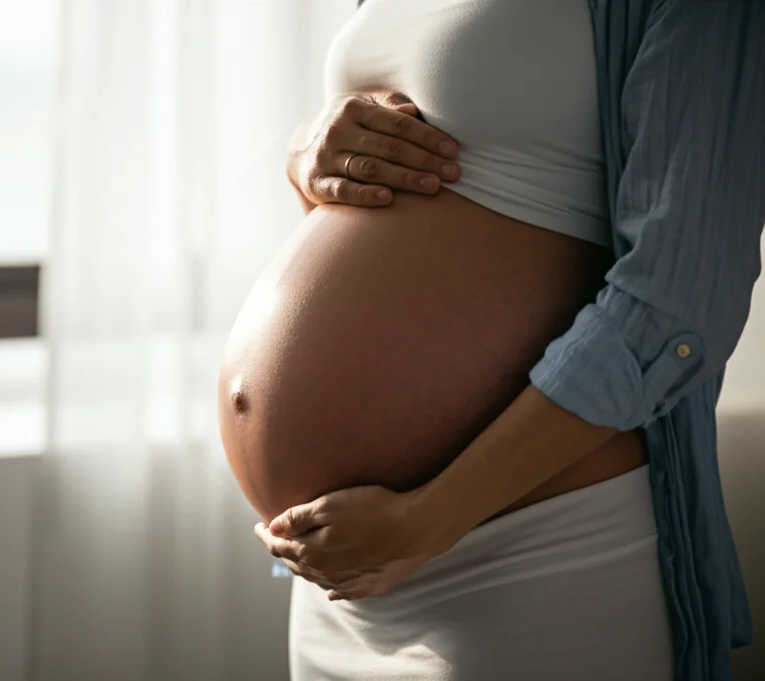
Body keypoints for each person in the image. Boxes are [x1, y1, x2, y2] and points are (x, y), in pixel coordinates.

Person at [217, 0, 764, 679]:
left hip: (530, 550)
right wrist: (309, 156)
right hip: (340, 576)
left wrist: (428, 519)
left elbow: (680, 295)